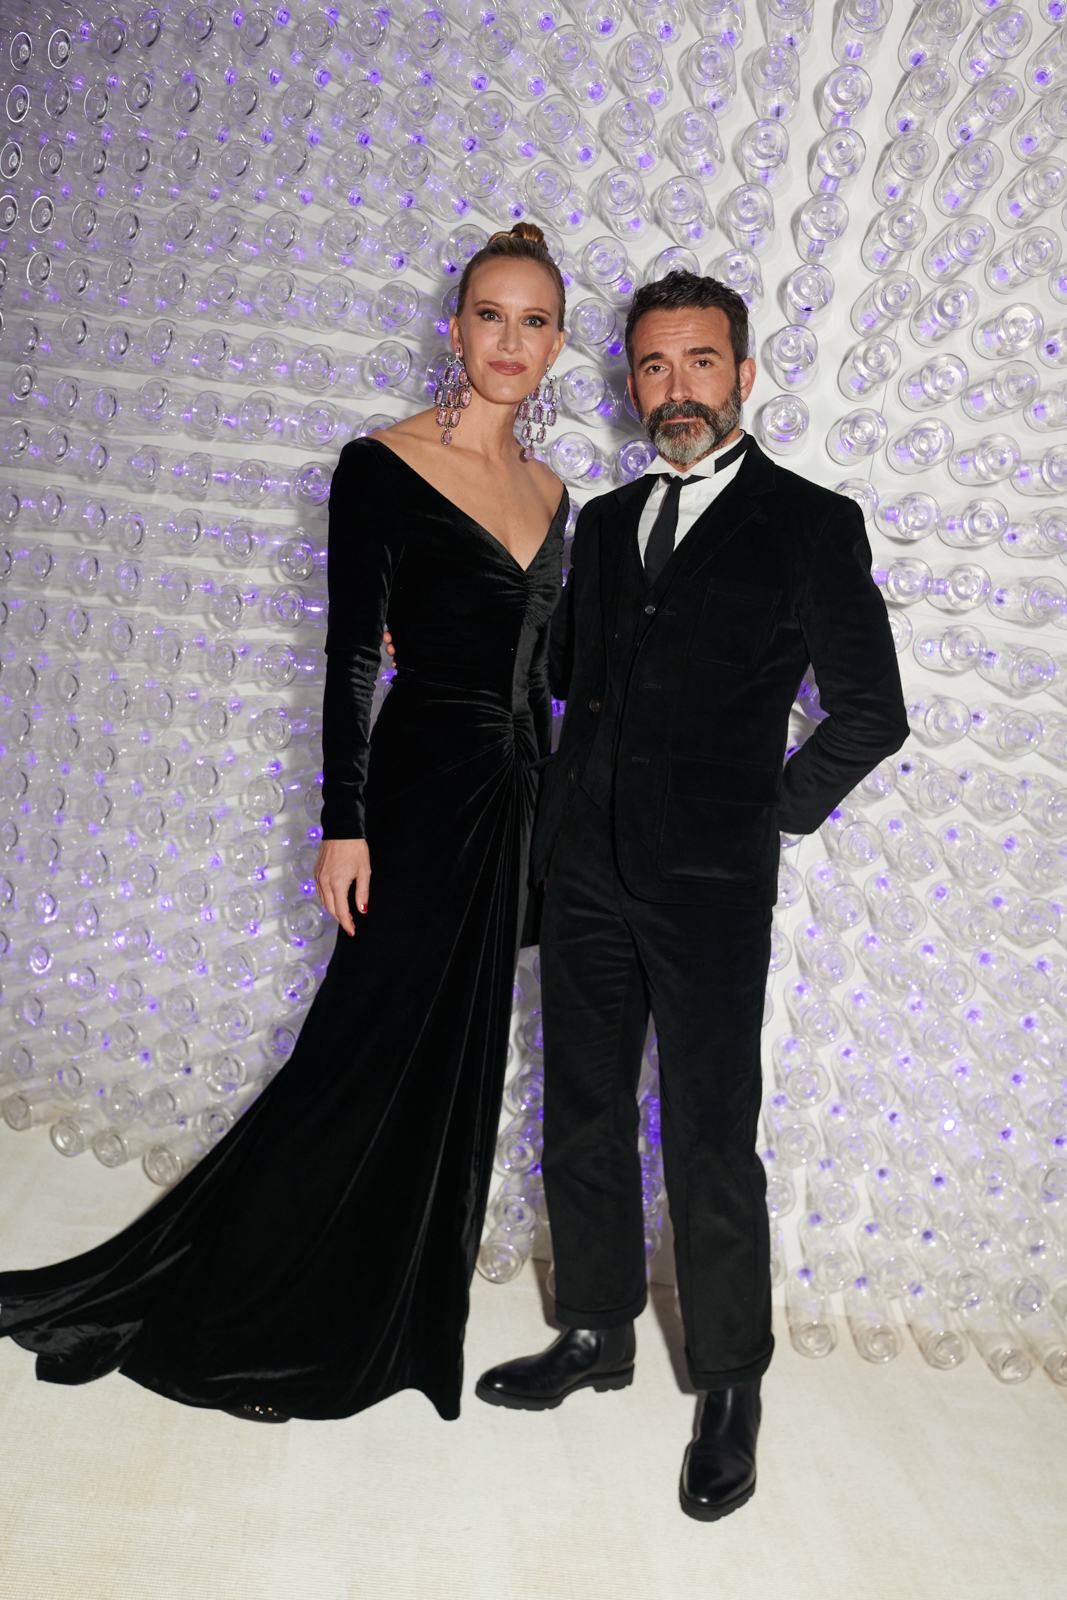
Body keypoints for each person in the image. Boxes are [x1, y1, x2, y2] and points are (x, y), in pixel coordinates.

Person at [0, 222, 568, 1425]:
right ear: (453, 327)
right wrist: (342, 822)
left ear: (557, 344)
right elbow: (354, 654)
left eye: (533, 322)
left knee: (452, 1068)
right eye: (489, 315)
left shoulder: (554, 493)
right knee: (350, 1059)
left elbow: (543, 667)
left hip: (514, 806)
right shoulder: (380, 464)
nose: (508, 341)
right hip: (416, 795)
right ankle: (242, 1315)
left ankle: (388, 1315)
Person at [475, 271, 909, 1519]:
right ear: (630, 381)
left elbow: (870, 713)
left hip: (711, 891)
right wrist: (454, 637)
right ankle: (593, 1331)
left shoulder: (808, 522)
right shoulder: (608, 522)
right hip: (585, 875)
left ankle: (728, 1388)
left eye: (699, 363)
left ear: (741, 375)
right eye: (654, 366)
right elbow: (561, 669)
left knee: (710, 1140)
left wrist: (762, 814)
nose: (676, 389)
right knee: (581, 1112)